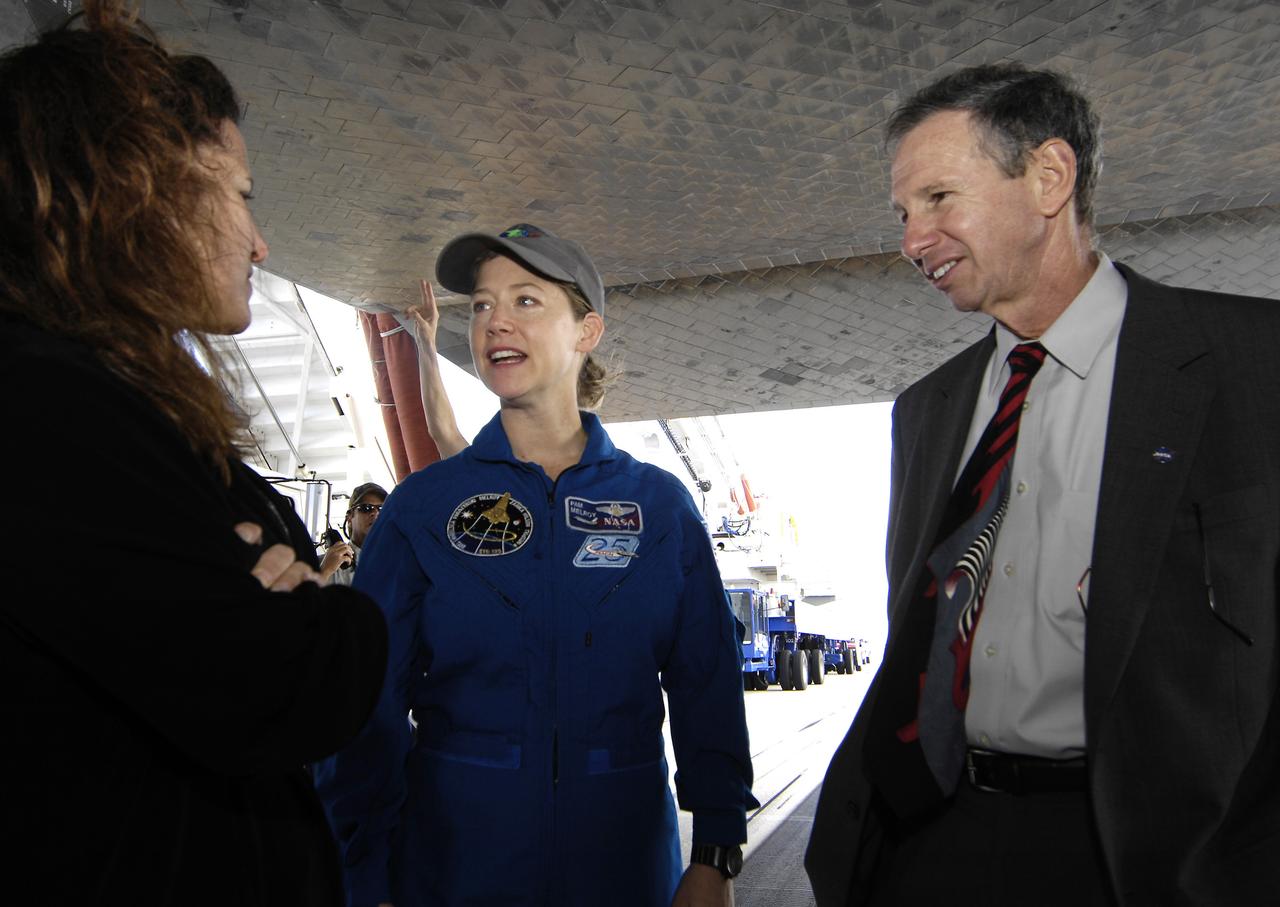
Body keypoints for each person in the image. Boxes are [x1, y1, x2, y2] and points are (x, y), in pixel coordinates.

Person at [805, 62, 1280, 906]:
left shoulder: (1255, 365)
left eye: (940, 199)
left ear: (1049, 178)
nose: (913, 239)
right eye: (904, 214)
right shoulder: (927, 410)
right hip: (935, 840)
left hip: (1146, 860)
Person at [0, 3, 388, 904]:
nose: (261, 242)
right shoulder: (52, 410)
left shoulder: (103, 401)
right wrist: (337, 609)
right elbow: (286, 682)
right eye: (241, 195)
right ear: (140, 189)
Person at [315, 224, 757, 907]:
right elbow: (367, 705)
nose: (495, 322)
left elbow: (707, 682)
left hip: (626, 862)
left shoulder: (659, 508)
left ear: (587, 331)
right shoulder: (425, 508)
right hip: (456, 865)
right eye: (484, 304)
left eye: (526, 300)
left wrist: (717, 852)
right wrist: (362, 874)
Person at [323, 482, 389, 585]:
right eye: (366, 508)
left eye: (382, 509)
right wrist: (324, 572)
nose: (375, 513)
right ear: (349, 518)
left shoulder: (400, 563)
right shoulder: (325, 564)